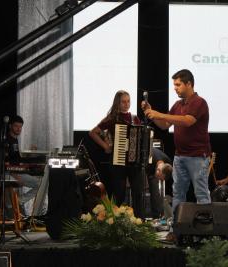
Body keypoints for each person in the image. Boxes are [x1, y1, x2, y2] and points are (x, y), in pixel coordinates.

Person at [142, 69, 211, 220]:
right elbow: (165, 125)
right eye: (174, 85)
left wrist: (159, 114)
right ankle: (176, 229)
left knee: (201, 193)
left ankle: (207, 231)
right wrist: (151, 112)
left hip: (198, 157)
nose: (175, 88)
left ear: (189, 84)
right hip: (180, 156)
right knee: (178, 193)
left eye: (178, 84)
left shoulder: (199, 102)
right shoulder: (177, 105)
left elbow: (187, 121)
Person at [89, 90, 144, 218]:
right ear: (117, 103)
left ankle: (139, 221)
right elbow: (92, 132)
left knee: (137, 192)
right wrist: (105, 146)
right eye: (123, 102)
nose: (126, 104)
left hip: (133, 162)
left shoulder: (134, 118)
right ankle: (115, 221)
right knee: (119, 193)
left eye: (128, 101)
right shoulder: (112, 118)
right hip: (117, 161)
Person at [5, 115, 41, 215]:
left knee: (41, 184)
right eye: (16, 126)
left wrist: (30, 156)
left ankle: (17, 202)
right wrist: (15, 176)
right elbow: (5, 162)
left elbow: (17, 159)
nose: (18, 129)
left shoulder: (15, 140)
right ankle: (14, 204)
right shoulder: (6, 140)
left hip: (15, 172)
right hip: (9, 174)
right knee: (40, 184)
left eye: (20, 127)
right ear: (10, 126)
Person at [147, 147, 173, 219]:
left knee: (155, 192)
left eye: (161, 179)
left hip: (153, 168)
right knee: (150, 189)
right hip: (147, 164)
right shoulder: (151, 158)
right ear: (158, 171)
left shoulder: (168, 162)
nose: (160, 180)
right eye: (159, 178)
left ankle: (157, 216)